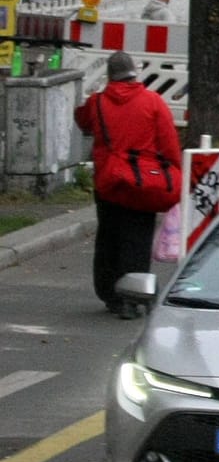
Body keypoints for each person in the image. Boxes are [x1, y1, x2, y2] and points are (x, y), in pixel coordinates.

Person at [75, 51, 182, 319]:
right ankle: (135, 296)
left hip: (109, 182)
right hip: (144, 182)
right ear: (134, 73)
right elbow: (169, 143)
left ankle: (110, 293)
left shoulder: (98, 102)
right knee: (138, 238)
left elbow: (82, 121)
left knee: (109, 237)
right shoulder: (153, 102)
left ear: (111, 76)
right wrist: (175, 173)